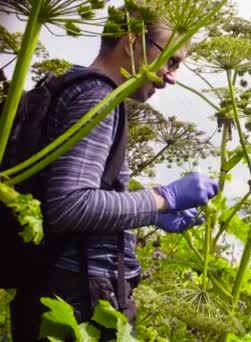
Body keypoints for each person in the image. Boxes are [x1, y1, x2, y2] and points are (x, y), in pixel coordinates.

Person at [9, 8, 218, 341]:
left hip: (59, 285)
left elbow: (70, 192)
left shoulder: (72, 85)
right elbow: (70, 205)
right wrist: (162, 199)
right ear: (132, 40)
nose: (171, 75)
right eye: (171, 60)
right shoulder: (97, 97)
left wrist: (145, 212)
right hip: (82, 299)